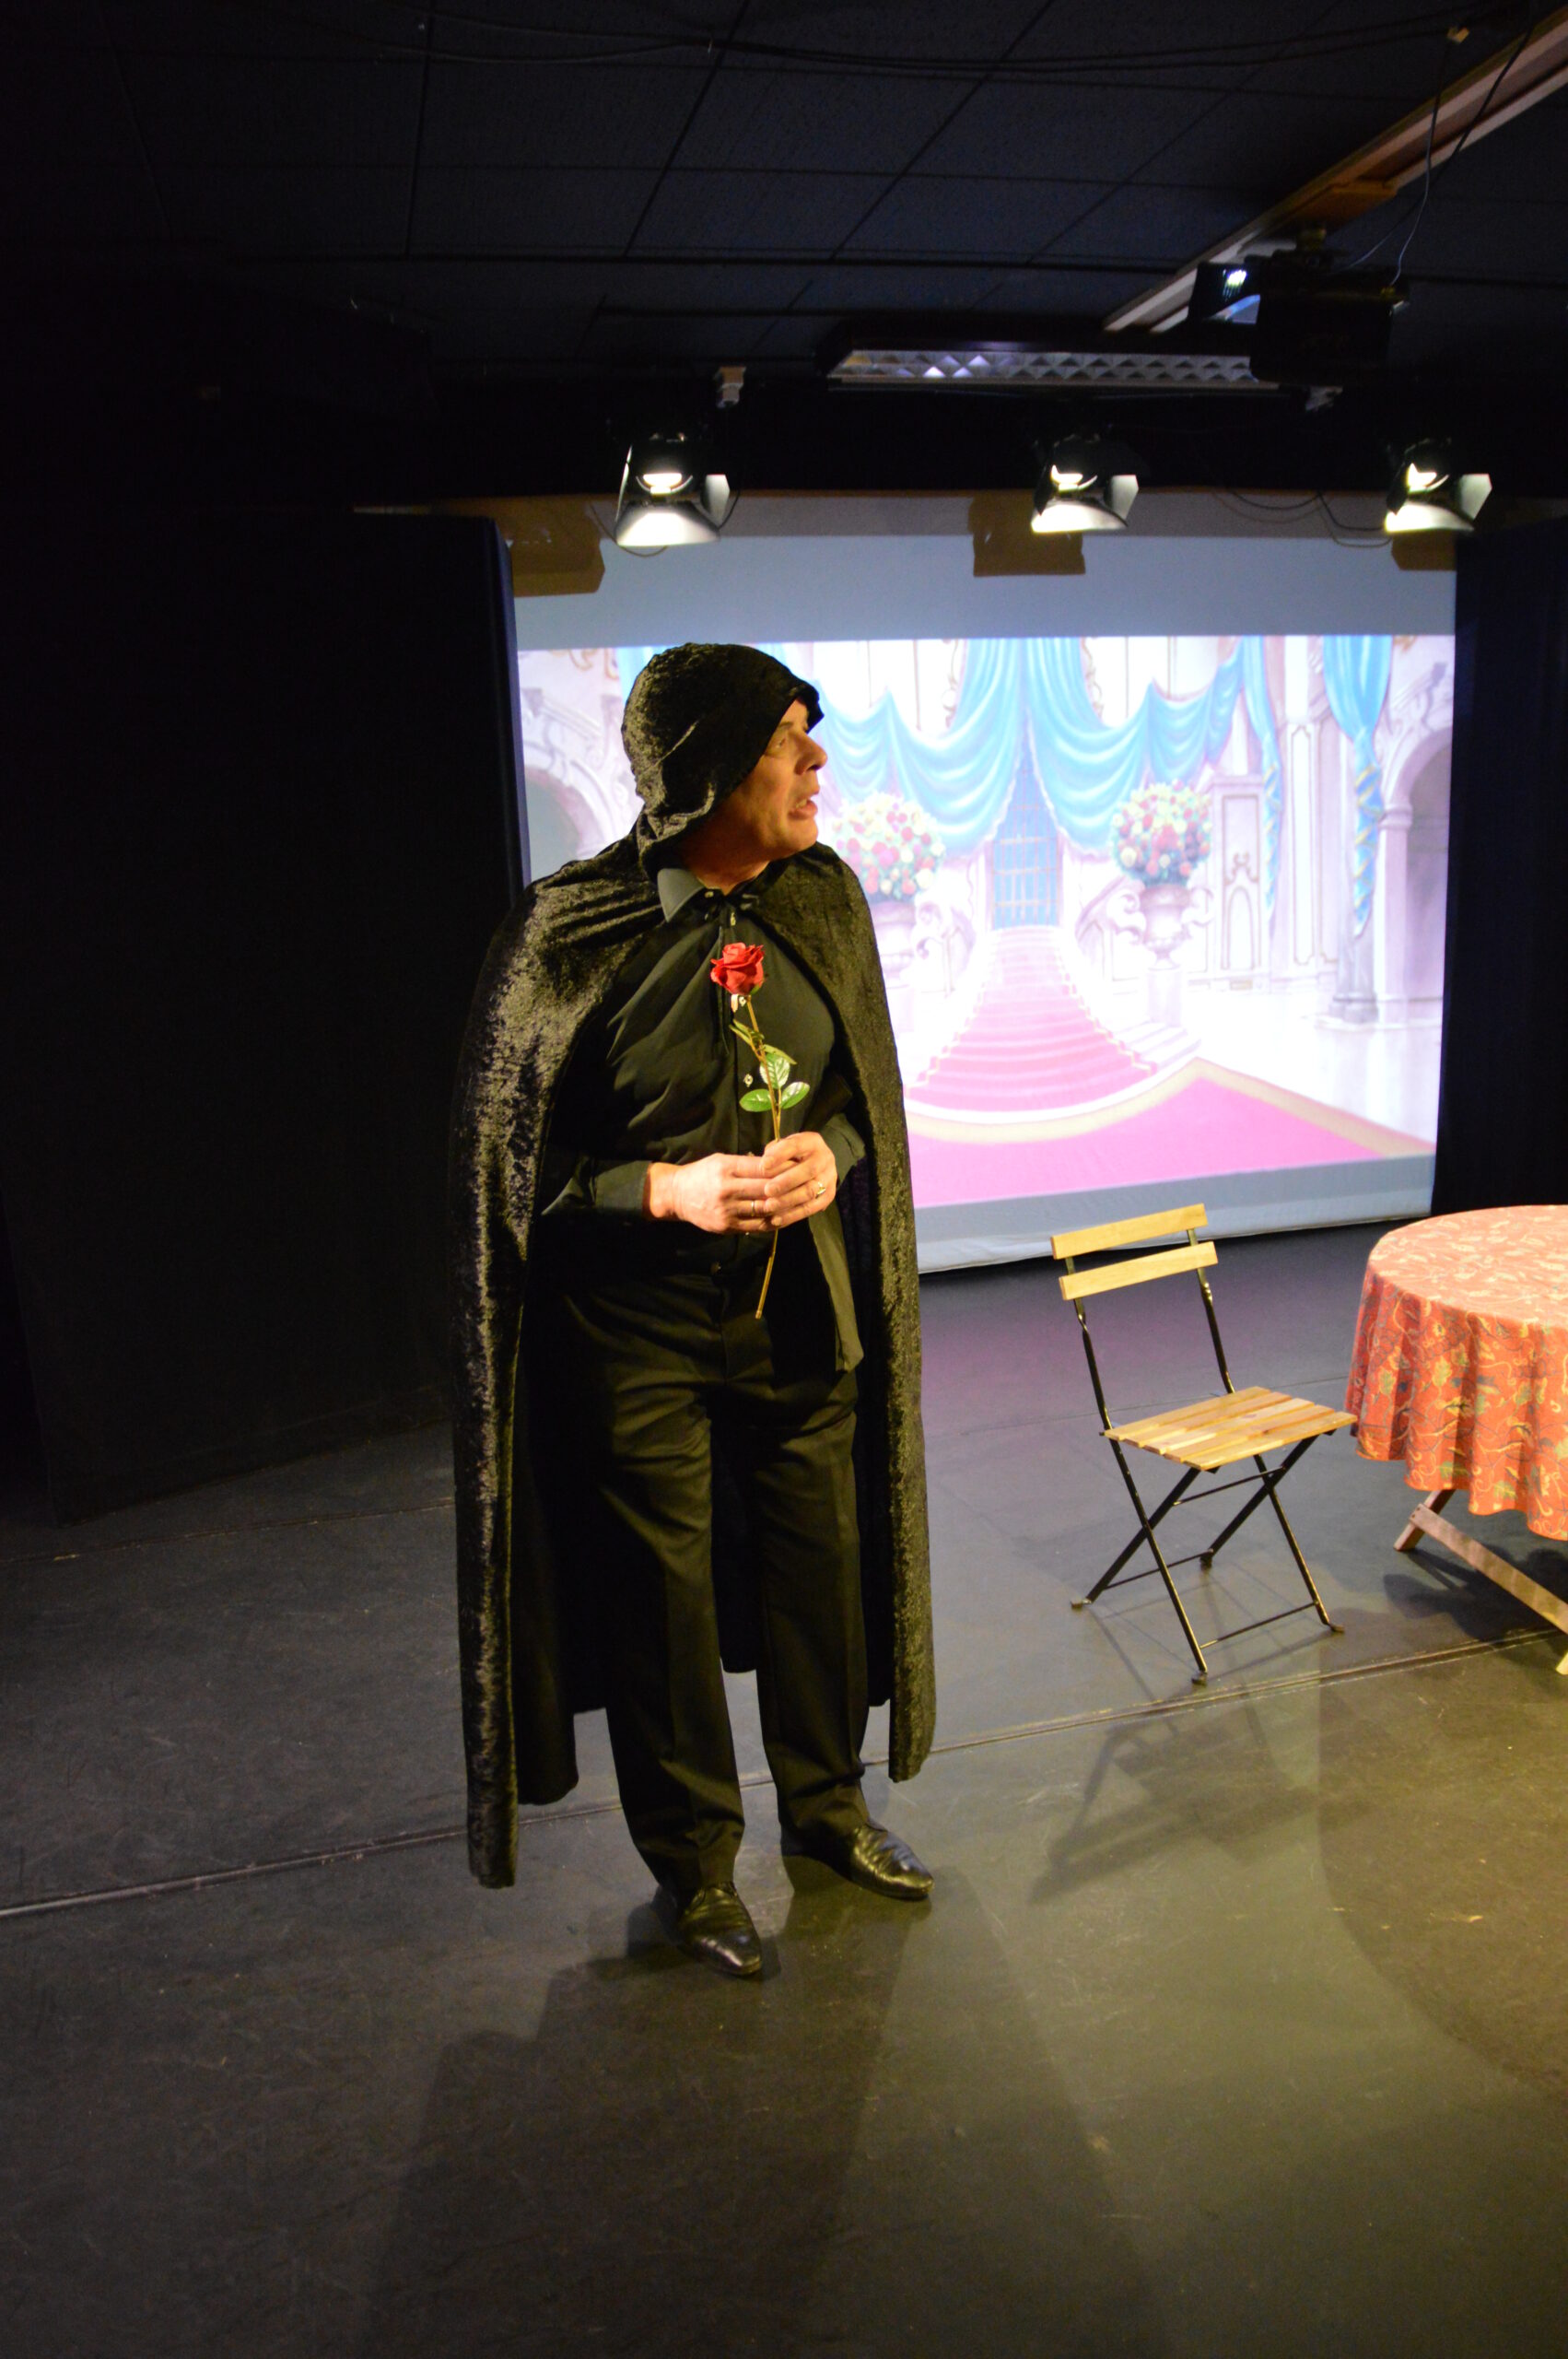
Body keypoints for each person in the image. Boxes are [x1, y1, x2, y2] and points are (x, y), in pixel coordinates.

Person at [451, 643, 935, 1978]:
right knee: (660, 1603)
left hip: (800, 1315)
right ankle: (698, 1870)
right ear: (710, 768)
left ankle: (829, 1811)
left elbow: (862, 1102)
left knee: (819, 1567)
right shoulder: (570, 931)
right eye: (787, 739)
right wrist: (660, 1189)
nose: (815, 763)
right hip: (635, 1333)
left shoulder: (823, 902)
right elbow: (506, 1174)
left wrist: (832, 1153)